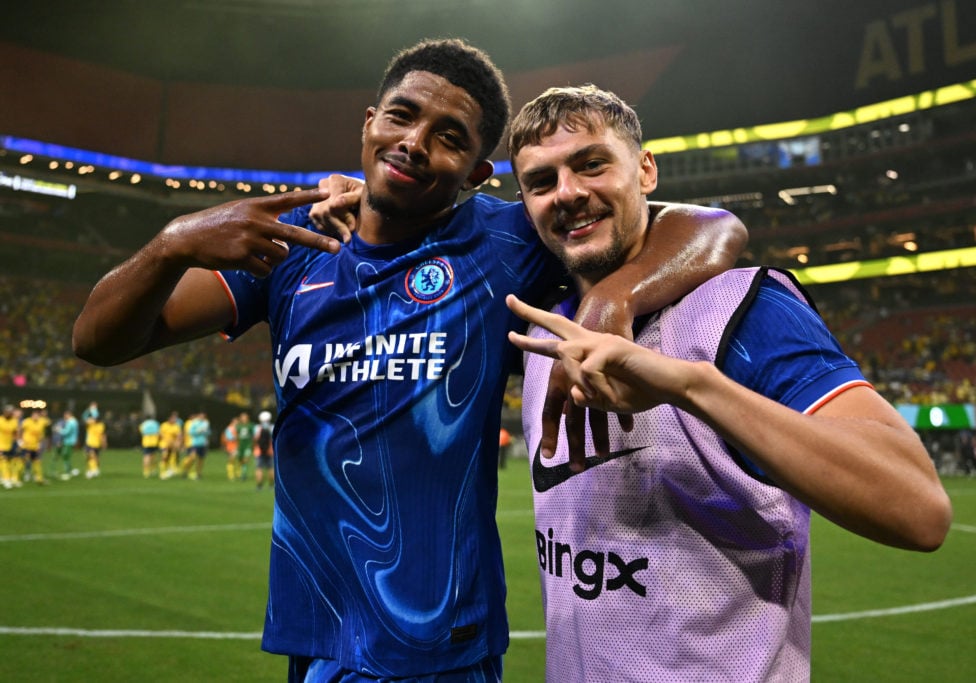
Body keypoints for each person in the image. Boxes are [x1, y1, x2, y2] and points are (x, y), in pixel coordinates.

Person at [72, 38, 745, 680]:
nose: (415, 143)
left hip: (433, 643)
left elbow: (711, 226)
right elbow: (98, 339)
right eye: (402, 115)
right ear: (370, 122)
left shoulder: (499, 240)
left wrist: (612, 301)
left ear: (478, 175)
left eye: (450, 137)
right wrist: (171, 244)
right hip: (313, 630)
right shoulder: (292, 249)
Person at [502, 84, 954, 682]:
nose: (569, 193)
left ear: (646, 170)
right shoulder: (536, 331)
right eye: (542, 181)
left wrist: (693, 388)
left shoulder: (743, 308)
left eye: (592, 164)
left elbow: (919, 510)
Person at [1, 405, 23, 488]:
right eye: (7, 412)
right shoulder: (0, 420)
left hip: (11, 444)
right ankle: (6, 479)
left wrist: (18, 442)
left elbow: (16, 433)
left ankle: (11, 478)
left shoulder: (14, 421)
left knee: (12, 462)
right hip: (1, 445)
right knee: (4, 460)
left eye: (10, 412)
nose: (8, 413)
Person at [253, 410, 275, 491]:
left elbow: (255, 439)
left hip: (259, 451)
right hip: (270, 451)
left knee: (259, 468)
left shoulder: (257, 428)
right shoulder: (272, 427)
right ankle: (271, 486)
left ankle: (259, 486)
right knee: (271, 468)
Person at [158, 411, 183, 479]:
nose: (174, 420)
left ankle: (171, 469)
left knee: (172, 457)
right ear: (169, 419)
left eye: (175, 419)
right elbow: (160, 434)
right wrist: (167, 440)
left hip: (173, 444)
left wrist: (178, 442)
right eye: (173, 418)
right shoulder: (164, 425)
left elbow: (179, 435)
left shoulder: (176, 426)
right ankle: (162, 472)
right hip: (164, 444)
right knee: (164, 456)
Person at [139, 413, 161, 478]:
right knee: (153, 455)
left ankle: (146, 471)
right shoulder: (155, 423)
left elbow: (142, 432)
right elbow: (158, 432)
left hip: (146, 442)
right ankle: (152, 469)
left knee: (146, 456)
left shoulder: (143, 424)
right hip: (154, 441)